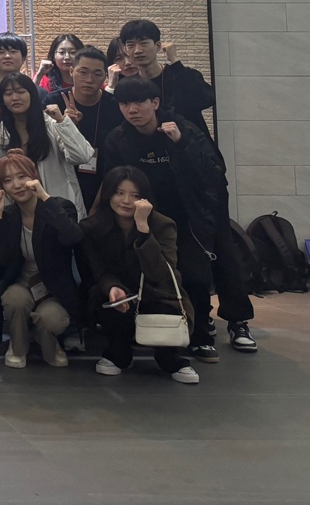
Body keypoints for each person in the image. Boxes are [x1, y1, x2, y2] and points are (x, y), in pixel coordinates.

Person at [105, 76, 256, 360]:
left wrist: (180, 144)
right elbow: (113, 180)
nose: (132, 110)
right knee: (150, 276)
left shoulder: (182, 128)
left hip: (188, 217)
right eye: (124, 103)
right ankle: (161, 331)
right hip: (144, 219)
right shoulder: (118, 138)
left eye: (138, 102)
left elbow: (213, 172)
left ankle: (201, 335)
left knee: (196, 276)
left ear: (155, 102)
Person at [81, 166, 199, 383]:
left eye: (135, 195)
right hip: (121, 292)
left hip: (157, 291)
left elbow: (160, 273)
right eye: (119, 193)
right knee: (105, 300)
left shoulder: (162, 225)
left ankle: (170, 357)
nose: (126, 201)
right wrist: (112, 287)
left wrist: (143, 229)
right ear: (108, 194)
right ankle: (118, 353)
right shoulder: (92, 227)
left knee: (163, 308)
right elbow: (98, 269)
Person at [0, 149, 84, 369]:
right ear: (2, 187)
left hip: (52, 289)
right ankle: (17, 346)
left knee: (52, 318)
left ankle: (46, 341)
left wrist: (45, 198)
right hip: (21, 285)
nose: (17, 185)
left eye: (22, 176)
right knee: (14, 299)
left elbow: (73, 237)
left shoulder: (60, 206)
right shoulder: (8, 215)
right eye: (8, 180)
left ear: (35, 176)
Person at [0, 73, 94, 219]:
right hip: (23, 213)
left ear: (32, 94)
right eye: (8, 94)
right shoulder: (1, 136)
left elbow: (82, 156)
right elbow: (1, 180)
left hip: (60, 209)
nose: (15, 98)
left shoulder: (52, 124)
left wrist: (62, 121)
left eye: (20, 92)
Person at [46, 45, 122, 210]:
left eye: (97, 74)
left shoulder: (115, 106)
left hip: (104, 183)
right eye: (83, 72)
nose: (89, 79)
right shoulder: (53, 103)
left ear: (105, 76)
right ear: (71, 71)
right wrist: (65, 124)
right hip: (62, 182)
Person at [119, 19, 217, 144]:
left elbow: (206, 99)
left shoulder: (180, 74)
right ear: (126, 50)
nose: (137, 50)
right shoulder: (130, 85)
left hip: (190, 144)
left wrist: (175, 61)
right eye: (131, 45)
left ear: (158, 46)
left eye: (144, 43)